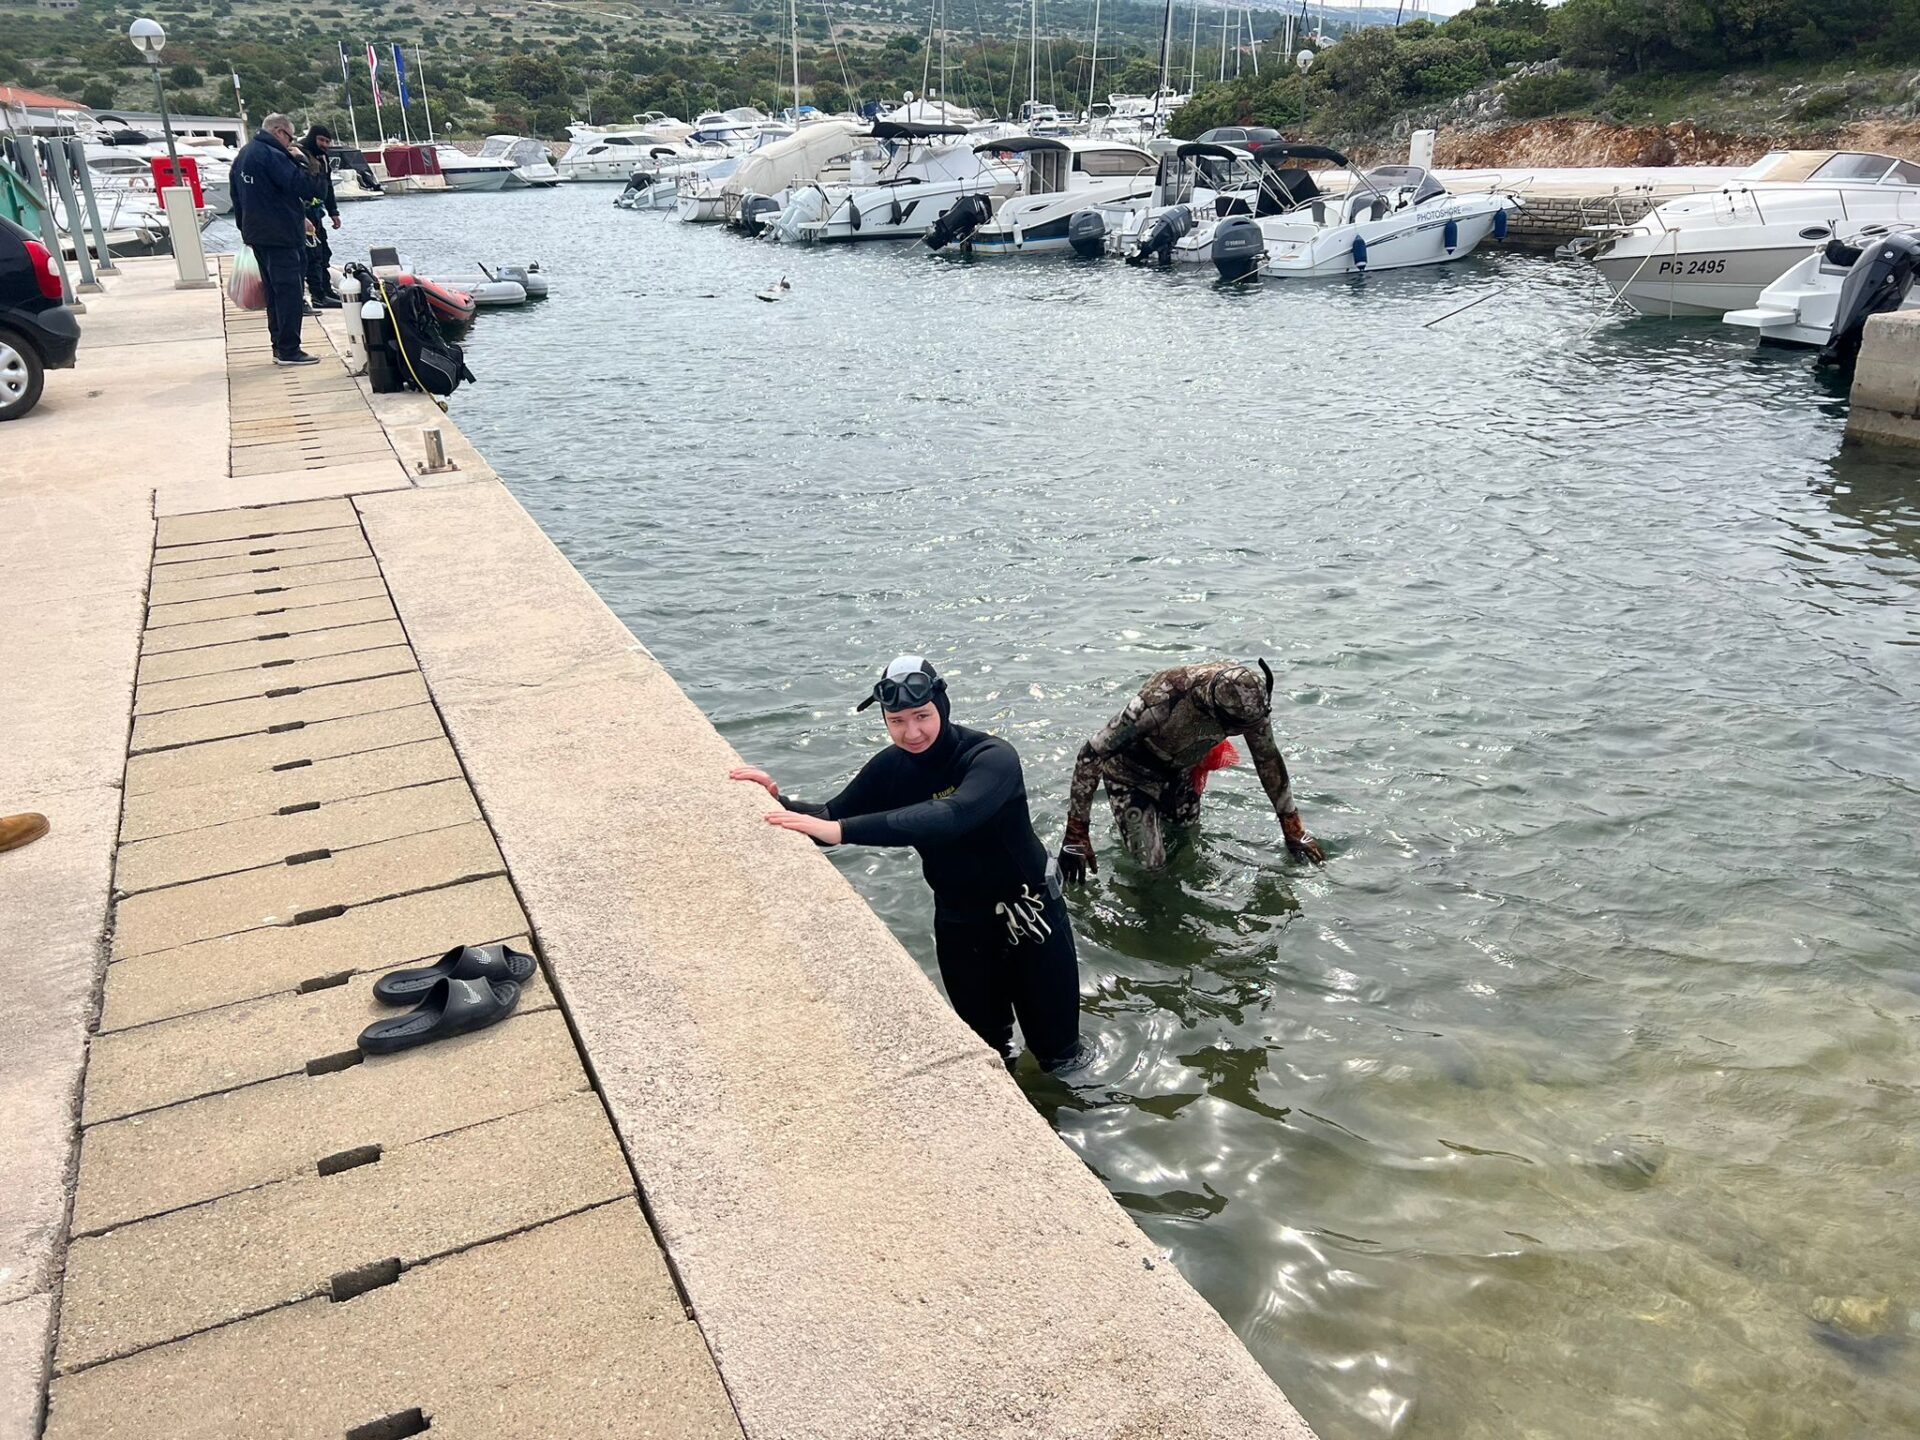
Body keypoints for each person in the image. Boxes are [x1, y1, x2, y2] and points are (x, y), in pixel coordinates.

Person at [730, 656, 1086, 1074]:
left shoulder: (991, 757)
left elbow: (954, 814)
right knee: (988, 1055)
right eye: (896, 720)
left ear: (943, 706)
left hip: (1031, 916)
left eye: (922, 716)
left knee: (1062, 1061)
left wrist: (843, 830)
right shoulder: (891, 768)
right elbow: (827, 817)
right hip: (961, 925)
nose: (912, 732)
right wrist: (775, 800)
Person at [1059, 659, 1325, 880]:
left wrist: (1293, 827)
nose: (1245, 734)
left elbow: (1267, 759)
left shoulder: (1249, 700)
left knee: (1187, 841)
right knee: (1153, 869)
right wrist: (1076, 833)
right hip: (1132, 775)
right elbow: (1091, 753)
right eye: (1237, 730)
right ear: (1214, 713)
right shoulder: (1160, 702)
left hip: (1182, 770)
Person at [231, 112, 327, 366]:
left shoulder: (245, 154)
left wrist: (246, 229)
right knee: (289, 292)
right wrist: (302, 162)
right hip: (280, 235)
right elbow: (303, 186)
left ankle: (280, 346)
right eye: (290, 137)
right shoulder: (272, 155)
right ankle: (288, 349)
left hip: (259, 234)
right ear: (278, 131)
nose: (291, 143)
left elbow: (236, 196)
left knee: (274, 293)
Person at [294, 124, 343, 310]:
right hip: (304, 212)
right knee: (312, 255)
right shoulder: (300, 155)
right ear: (312, 138)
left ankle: (326, 290)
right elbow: (294, 186)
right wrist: (301, 216)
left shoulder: (323, 157)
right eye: (321, 140)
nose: (324, 145)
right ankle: (317, 295)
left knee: (324, 253)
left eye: (327, 141)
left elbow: (328, 186)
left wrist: (334, 212)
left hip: (317, 211)